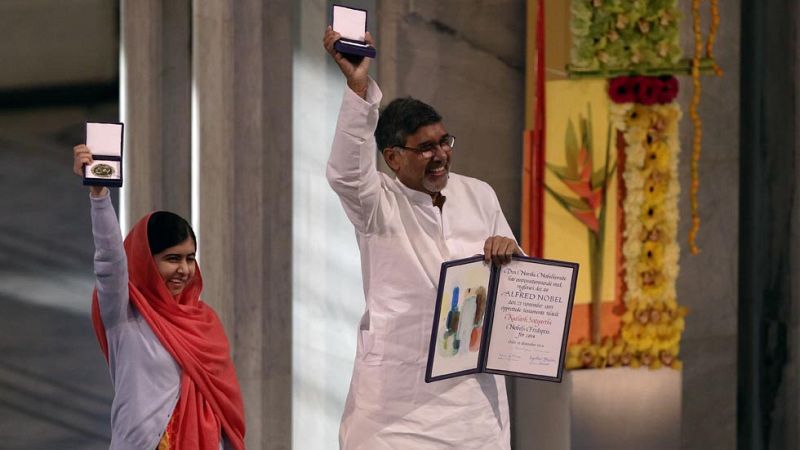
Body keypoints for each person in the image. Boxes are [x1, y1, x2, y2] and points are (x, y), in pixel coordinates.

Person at [323, 27, 521, 449]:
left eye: (444, 142)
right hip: (397, 407)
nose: (441, 155)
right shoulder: (377, 204)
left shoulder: (478, 193)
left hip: (473, 405)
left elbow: (518, 281)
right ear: (393, 157)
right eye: (425, 147)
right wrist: (359, 87)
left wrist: (511, 253)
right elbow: (345, 173)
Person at [73, 145, 246, 450]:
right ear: (146, 261)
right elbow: (110, 261)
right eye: (172, 258)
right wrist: (100, 198)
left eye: (190, 258)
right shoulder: (124, 315)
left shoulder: (204, 323)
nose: (183, 269)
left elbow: (223, 415)